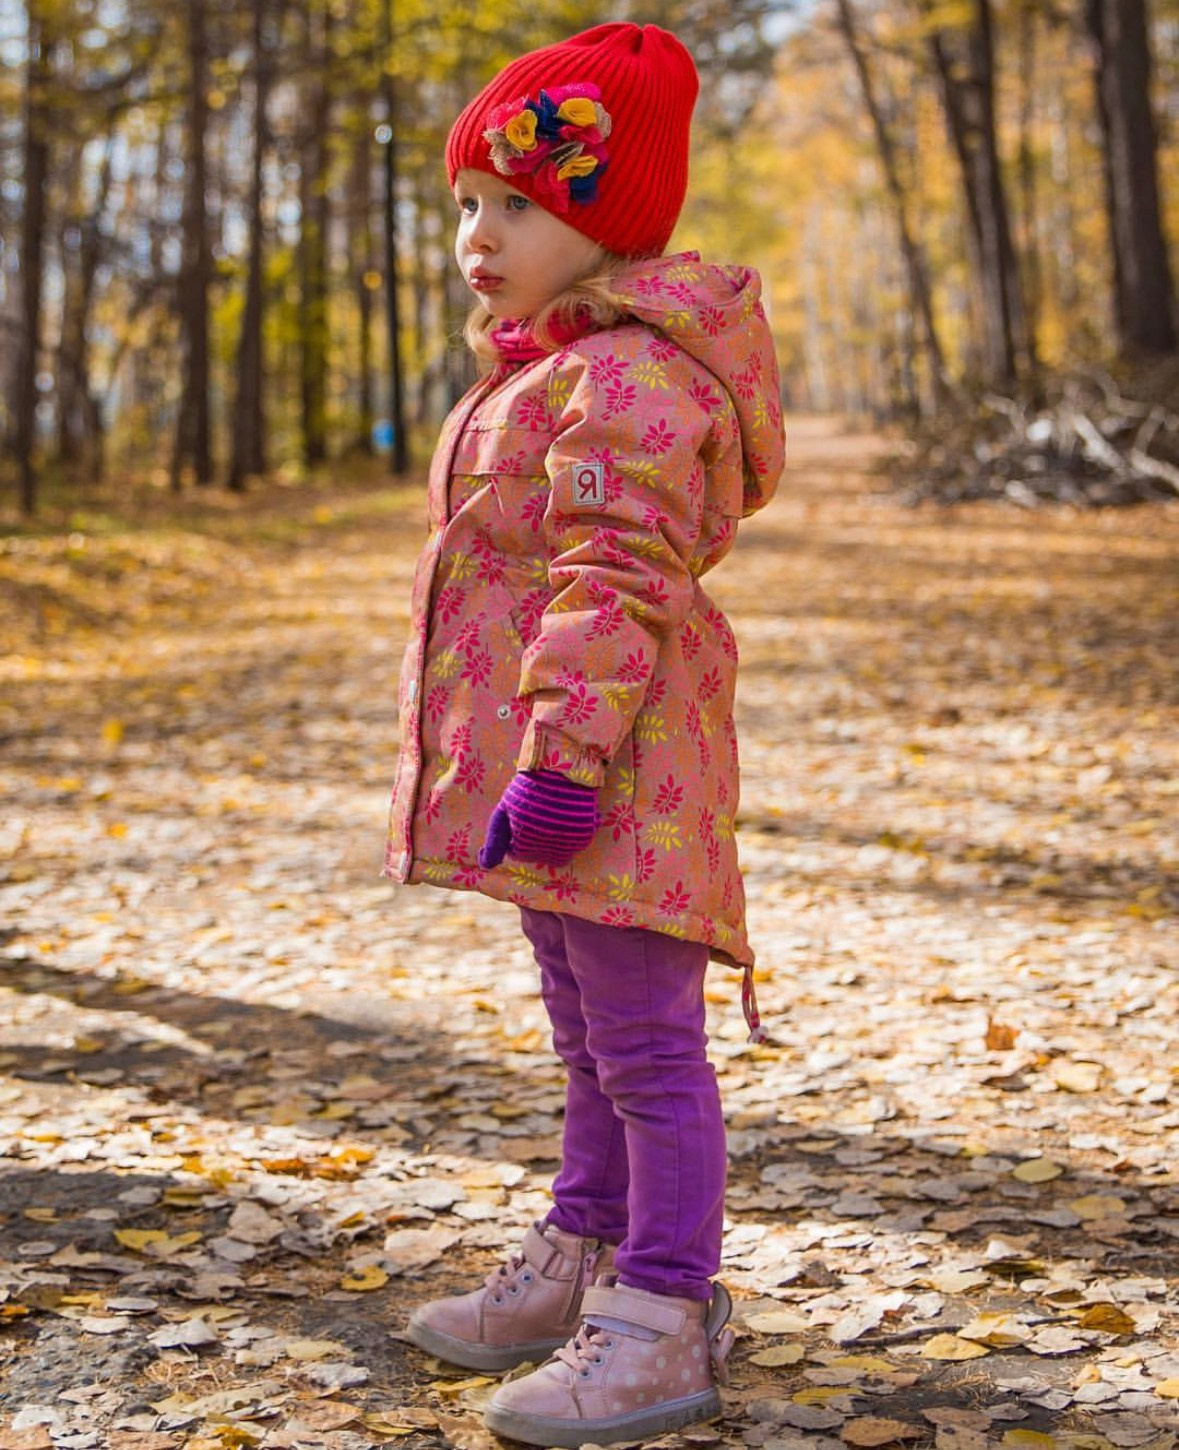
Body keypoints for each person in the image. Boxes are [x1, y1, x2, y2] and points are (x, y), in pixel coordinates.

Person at [385, 21, 785, 1447]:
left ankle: (667, 1306)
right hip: (557, 777)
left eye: (517, 203)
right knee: (586, 1039)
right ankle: (581, 1250)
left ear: (601, 217)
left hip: (611, 773)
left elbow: (614, 579)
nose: (478, 237)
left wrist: (557, 765)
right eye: (468, 208)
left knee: (647, 1048)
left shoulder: (628, 379)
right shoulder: (550, 365)